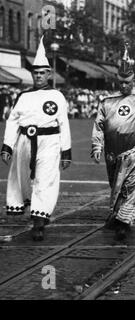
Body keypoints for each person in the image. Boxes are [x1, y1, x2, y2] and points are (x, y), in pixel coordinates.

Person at [0, 36, 72, 241]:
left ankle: (38, 222)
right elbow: (13, 121)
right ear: (32, 73)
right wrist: (7, 146)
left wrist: (66, 152)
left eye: (42, 73)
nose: (38, 76)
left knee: (44, 179)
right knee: (22, 179)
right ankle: (35, 210)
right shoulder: (23, 96)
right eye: (36, 73)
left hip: (49, 143)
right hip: (24, 142)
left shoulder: (57, 96)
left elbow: (63, 124)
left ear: (49, 74)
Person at [91, 43, 135, 241]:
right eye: (120, 82)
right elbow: (99, 126)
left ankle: (123, 223)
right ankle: (118, 216)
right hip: (112, 154)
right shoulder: (107, 102)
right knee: (116, 185)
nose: (123, 86)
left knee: (130, 186)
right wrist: (97, 146)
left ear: (133, 80)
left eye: (127, 82)